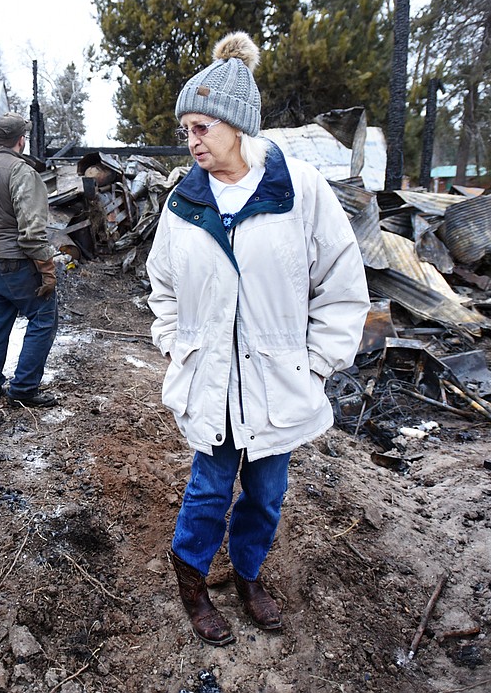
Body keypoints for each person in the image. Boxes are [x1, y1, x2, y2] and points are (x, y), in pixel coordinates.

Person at [146, 32, 369, 646]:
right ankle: (192, 583)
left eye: (199, 128)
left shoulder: (298, 191)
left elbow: (342, 284)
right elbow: (160, 283)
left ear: (236, 125)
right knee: (209, 489)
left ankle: (247, 576)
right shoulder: (183, 202)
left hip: (278, 380)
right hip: (212, 379)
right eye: (186, 129)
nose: (190, 142)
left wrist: (316, 363)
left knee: (266, 495)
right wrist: (174, 341)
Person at [0, 112, 59, 408]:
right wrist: (46, 269)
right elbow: (31, 231)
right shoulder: (21, 172)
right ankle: (23, 388)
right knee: (43, 318)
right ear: (22, 140)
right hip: (15, 262)